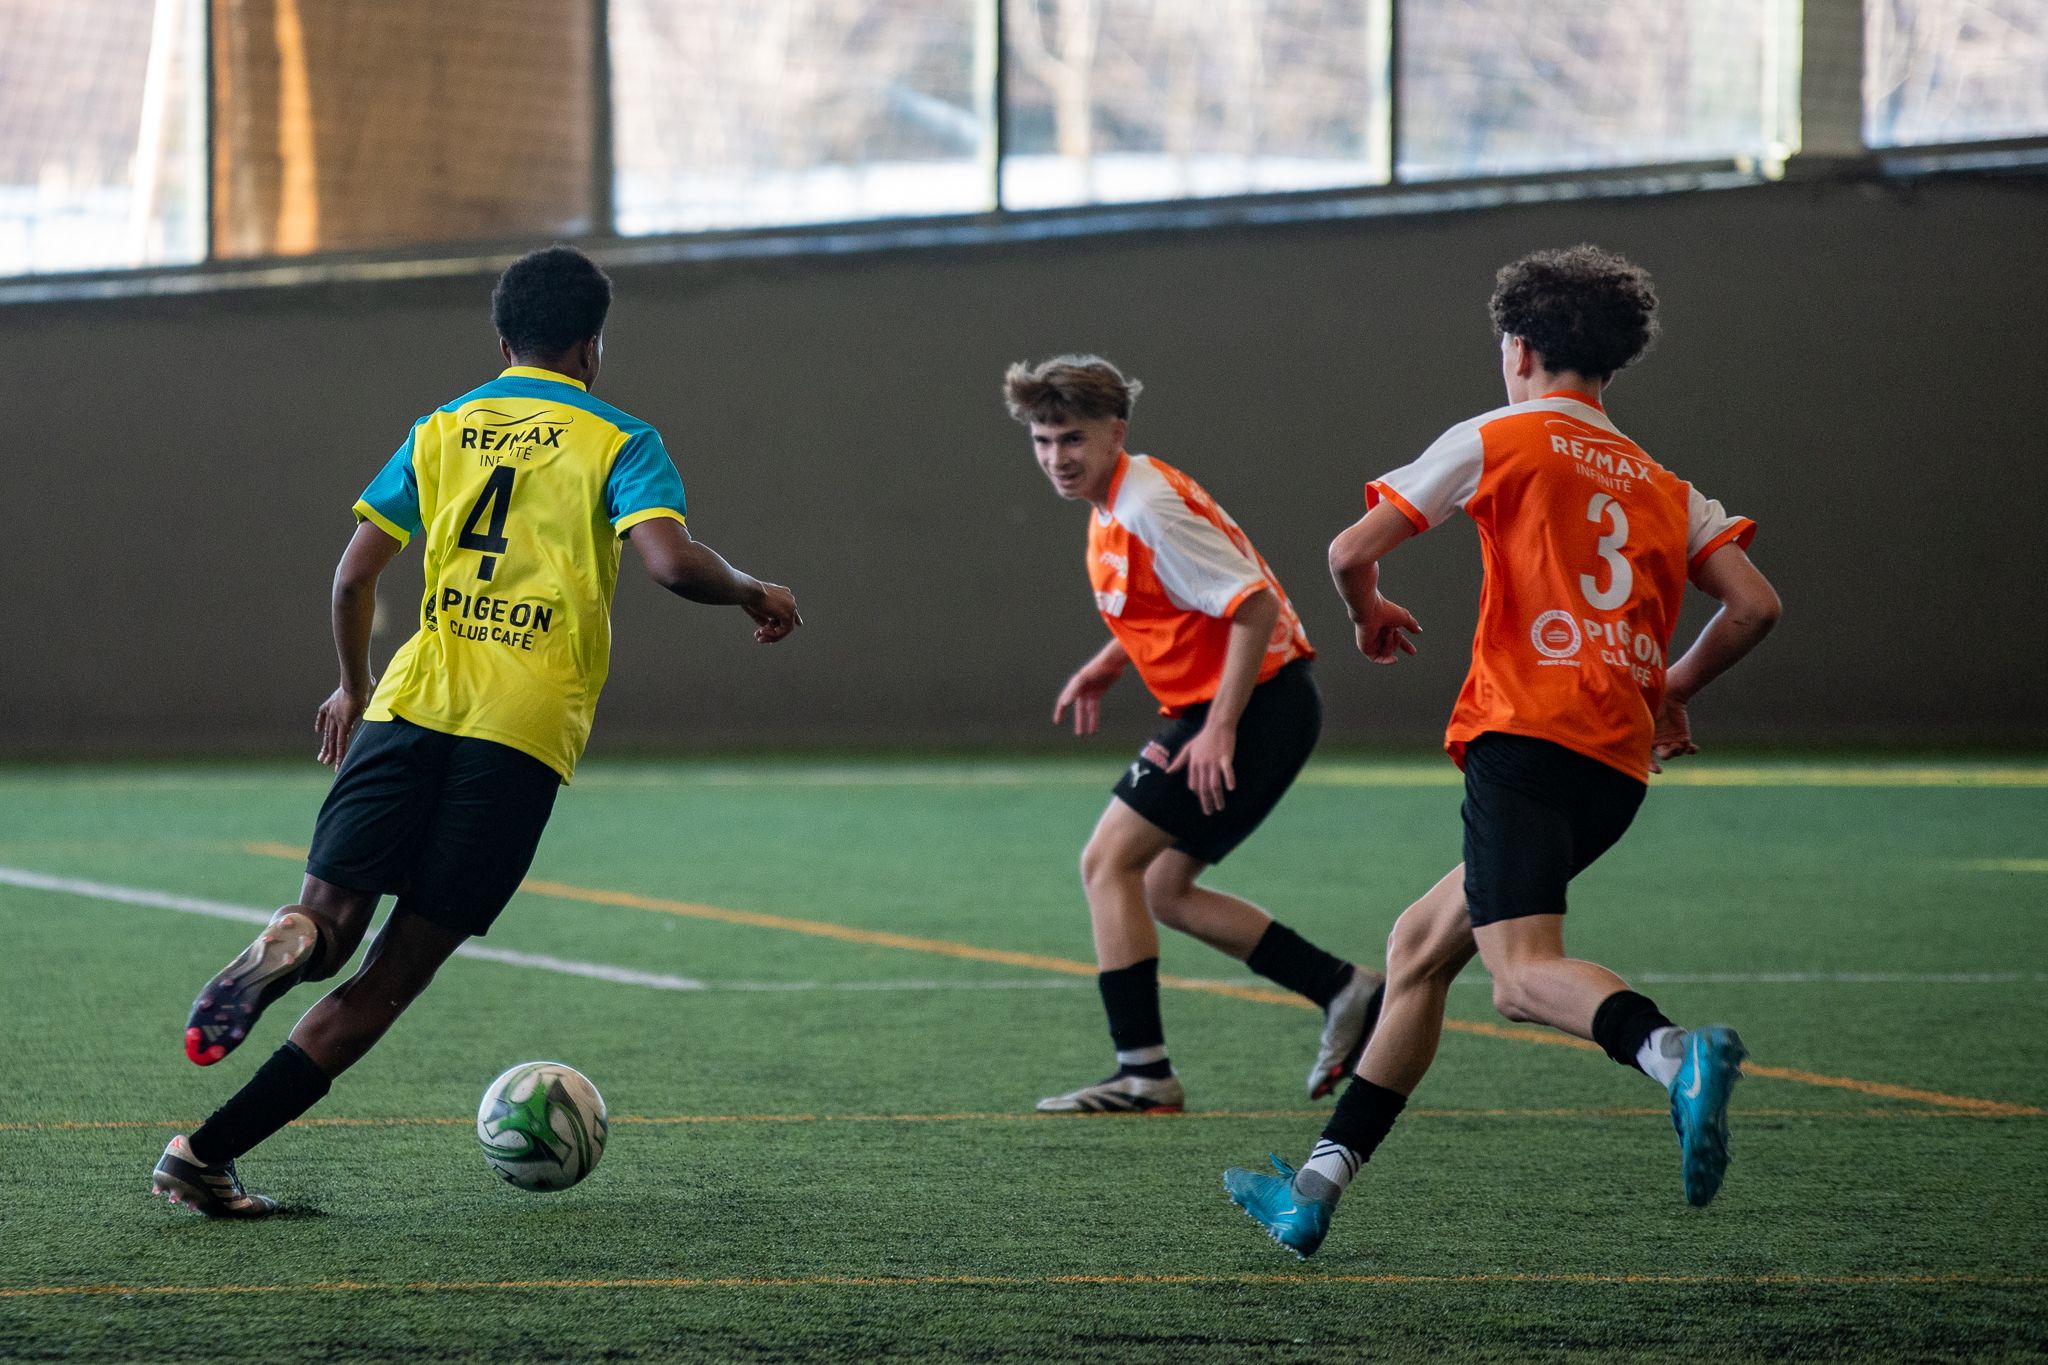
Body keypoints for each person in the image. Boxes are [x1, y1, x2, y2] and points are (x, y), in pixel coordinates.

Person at [152, 245, 801, 1217]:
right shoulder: (621, 440)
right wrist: (752, 589)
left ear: (503, 343)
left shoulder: (443, 427)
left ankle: (294, 935)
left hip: (410, 703)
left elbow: (352, 575)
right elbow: (670, 564)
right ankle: (203, 1154)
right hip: (519, 731)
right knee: (391, 975)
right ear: (591, 347)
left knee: (333, 924)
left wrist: (352, 687)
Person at [1225, 245, 1781, 1256]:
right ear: (1609, 360)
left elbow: (1350, 549)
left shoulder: (1501, 435)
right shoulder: (1666, 485)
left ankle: (1673, 1052)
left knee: (1521, 978)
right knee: (1417, 947)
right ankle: (1312, 1188)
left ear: (1517, 347)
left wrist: (1367, 609)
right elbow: (1753, 606)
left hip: (1525, 734)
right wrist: (1670, 689)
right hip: (1614, 766)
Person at [1003, 356, 1383, 1115]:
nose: (1056, 457)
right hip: (1244, 705)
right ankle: (1346, 990)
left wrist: (1220, 728)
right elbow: (1176, 600)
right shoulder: (1118, 499)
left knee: (1107, 862)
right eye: (1042, 440)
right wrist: (1114, 660)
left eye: (1072, 438)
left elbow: (1253, 606)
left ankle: (1144, 1074)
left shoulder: (1147, 505)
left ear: (1116, 432)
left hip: (1255, 706)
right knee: (1161, 887)